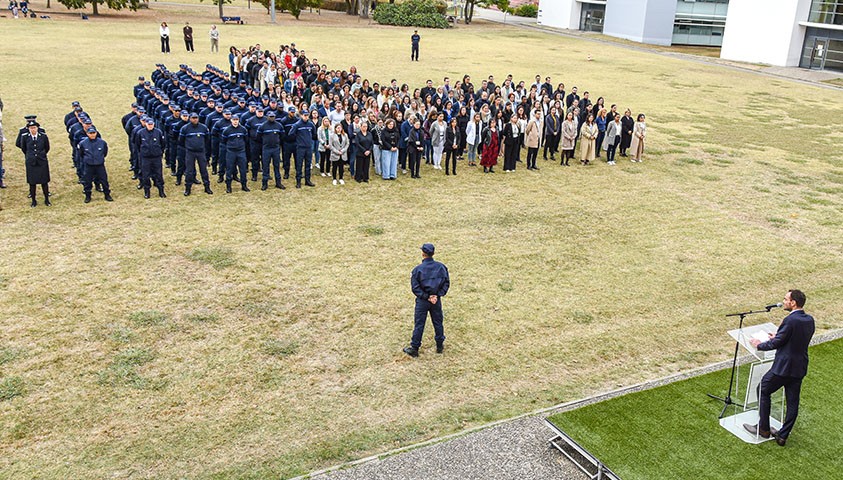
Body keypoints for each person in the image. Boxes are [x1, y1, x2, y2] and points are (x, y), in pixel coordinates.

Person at [744, 290, 815, 446]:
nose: (783, 302)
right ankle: (783, 435)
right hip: (799, 367)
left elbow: (777, 344)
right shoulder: (809, 320)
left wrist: (759, 344)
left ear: (793, 303)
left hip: (783, 367)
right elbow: (794, 339)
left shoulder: (790, 320)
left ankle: (763, 429)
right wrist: (777, 336)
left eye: (785, 299)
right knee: (792, 402)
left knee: (763, 388)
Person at [403, 243, 450, 357]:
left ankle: (415, 348)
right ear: (433, 253)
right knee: (438, 322)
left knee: (419, 323)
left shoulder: (417, 270)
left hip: (423, 302)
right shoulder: (442, 267)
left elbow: (415, 288)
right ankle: (439, 345)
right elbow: (446, 283)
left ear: (423, 254)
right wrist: (437, 295)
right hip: (436, 300)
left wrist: (426, 297)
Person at [179, 112, 213, 195]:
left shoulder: (203, 128)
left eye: (196, 118)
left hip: (201, 152)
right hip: (190, 152)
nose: (195, 119)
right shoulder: (185, 128)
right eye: (193, 118)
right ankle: (188, 189)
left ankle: (207, 187)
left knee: (204, 170)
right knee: (189, 171)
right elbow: (181, 141)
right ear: (190, 119)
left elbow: (207, 139)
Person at [77, 126, 113, 203]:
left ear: (96, 133)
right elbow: (81, 154)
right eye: (90, 133)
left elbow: (105, 153)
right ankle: (88, 196)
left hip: (99, 165)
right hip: (89, 165)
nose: (92, 135)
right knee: (87, 181)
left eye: (94, 133)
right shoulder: (83, 143)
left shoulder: (102, 142)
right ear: (87, 134)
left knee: (104, 180)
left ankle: (107, 195)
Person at [19, 120, 51, 207]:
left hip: (41, 161)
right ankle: (33, 200)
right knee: (32, 183)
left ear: (37, 128)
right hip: (31, 162)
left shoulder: (43, 136)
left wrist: (41, 155)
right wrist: (31, 156)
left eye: (34, 128)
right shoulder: (25, 137)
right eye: (31, 128)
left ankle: (47, 200)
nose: (33, 129)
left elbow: (47, 147)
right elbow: (24, 148)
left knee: (44, 182)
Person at [135, 116, 167, 199]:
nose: (150, 126)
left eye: (151, 124)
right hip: (145, 158)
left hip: (156, 157)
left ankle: (161, 191)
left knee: (159, 174)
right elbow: (137, 145)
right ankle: (147, 192)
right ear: (145, 124)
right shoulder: (140, 133)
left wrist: (159, 152)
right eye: (148, 124)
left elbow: (163, 144)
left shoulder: (158, 132)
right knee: (146, 175)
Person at [257, 110, 286, 190]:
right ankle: (264, 183)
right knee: (265, 166)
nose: (272, 118)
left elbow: (282, 135)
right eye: (270, 117)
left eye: (273, 117)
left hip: (276, 148)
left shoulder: (279, 125)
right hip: (266, 148)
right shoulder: (263, 126)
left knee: (277, 166)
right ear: (267, 117)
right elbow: (258, 137)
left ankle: (278, 183)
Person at [221, 115, 250, 193]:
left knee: (243, 169)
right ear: (231, 120)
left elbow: (246, 140)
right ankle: (228, 187)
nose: (235, 121)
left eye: (237, 119)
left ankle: (244, 185)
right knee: (229, 169)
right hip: (231, 152)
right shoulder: (226, 130)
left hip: (241, 152)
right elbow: (224, 141)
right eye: (234, 120)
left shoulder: (243, 129)